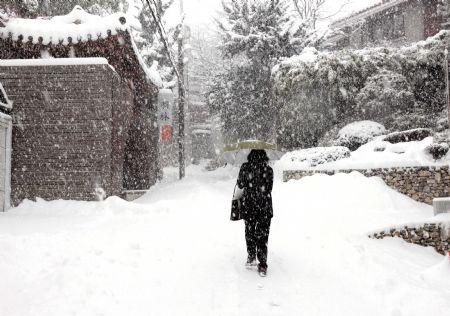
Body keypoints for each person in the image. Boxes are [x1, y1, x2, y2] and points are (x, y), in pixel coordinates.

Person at [237, 149, 273, 277]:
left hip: (249, 206)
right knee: (263, 236)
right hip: (264, 206)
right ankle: (262, 265)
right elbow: (269, 188)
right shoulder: (268, 170)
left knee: (250, 231)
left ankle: (251, 256)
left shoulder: (245, 167)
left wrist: (250, 185)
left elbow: (240, 184)